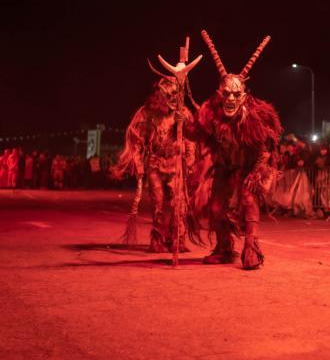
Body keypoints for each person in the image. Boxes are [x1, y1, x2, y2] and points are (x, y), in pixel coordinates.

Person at [192, 31, 282, 270]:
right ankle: (224, 249)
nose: (231, 99)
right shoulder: (210, 114)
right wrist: (183, 117)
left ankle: (251, 249)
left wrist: (257, 172)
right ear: (220, 94)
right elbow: (196, 133)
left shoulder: (255, 118)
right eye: (227, 94)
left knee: (248, 200)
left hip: (248, 167)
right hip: (225, 168)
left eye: (236, 94)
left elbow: (265, 148)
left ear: (244, 95)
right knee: (216, 207)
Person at [111, 75, 197, 252]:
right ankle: (158, 240)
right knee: (157, 203)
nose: (172, 98)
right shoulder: (147, 113)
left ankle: (177, 239)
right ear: (160, 94)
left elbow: (190, 138)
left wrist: (190, 159)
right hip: (155, 163)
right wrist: (137, 162)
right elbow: (137, 139)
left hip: (176, 163)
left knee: (178, 204)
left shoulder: (183, 113)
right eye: (169, 94)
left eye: (176, 94)